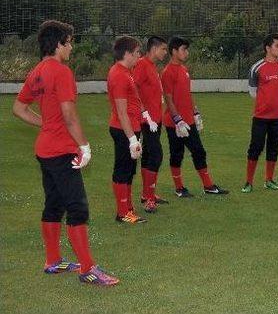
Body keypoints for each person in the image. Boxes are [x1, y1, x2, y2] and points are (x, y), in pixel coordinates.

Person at [12, 20, 119, 285]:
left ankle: (53, 261)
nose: (71, 47)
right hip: (61, 151)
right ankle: (87, 269)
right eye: (69, 42)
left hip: (45, 150)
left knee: (54, 205)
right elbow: (70, 115)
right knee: (77, 208)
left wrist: (46, 124)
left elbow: (18, 108)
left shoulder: (37, 71)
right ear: (59, 44)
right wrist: (84, 146)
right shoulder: (61, 71)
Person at [161, 36, 227, 197]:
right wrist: (177, 120)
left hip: (188, 121)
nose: (186, 52)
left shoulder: (184, 69)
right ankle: (179, 188)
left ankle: (208, 186)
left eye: (186, 49)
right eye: (183, 49)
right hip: (174, 124)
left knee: (199, 151)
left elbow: (187, 94)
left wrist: (195, 112)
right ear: (174, 51)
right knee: (177, 154)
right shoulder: (168, 72)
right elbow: (168, 98)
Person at [241, 34, 278, 193]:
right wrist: (266, 103)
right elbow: (253, 92)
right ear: (268, 48)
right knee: (255, 148)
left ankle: (269, 180)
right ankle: (248, 182)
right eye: (277, 46)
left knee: (273, 148)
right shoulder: (257, 68)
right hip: (261, 117)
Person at [107, 36, 146, 224]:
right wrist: (131, 138)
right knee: (122, 170)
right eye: (137, 52)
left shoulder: (126, 72)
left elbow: (133, 103)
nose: (140, 55)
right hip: (123, 129)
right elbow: (121, 112)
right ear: (128, 53)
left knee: (130, 170)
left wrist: (143, 116)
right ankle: (122, 213)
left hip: (130, 128)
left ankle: (128, 208)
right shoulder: (118, 75)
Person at [133, 36, 169, 213]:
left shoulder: (153, 67)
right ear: (154, 49)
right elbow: (133, 89)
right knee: (156, 155)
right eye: (163, 49)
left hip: (156, 120)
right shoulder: (141, 64)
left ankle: (147, 194)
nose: (165, 53)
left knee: (148, 156)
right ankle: (148, 198)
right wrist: (144, 113)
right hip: (147, 121)